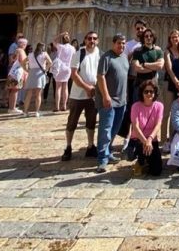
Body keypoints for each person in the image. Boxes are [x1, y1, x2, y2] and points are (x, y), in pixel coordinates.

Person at [61, 31, 101, 160]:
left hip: (93, 95)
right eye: (89, 38)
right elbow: (74, 74)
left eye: (94, 38)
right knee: (72, 122)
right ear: (85, 40)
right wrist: (86, 87)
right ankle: (68, 147)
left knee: (91, 122)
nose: (92, 41)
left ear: (98, 41)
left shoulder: (99, 54)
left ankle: (90, 146)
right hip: (78, 95)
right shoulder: (79, 53)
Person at [95, 33, 130, 172]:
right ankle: (102, 159)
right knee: (105, 129)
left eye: (123, 43)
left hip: (121, 100)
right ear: (113, 43)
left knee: (115, 128)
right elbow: (100, 76)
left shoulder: (124, 57)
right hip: (108, 100)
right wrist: (105, 96)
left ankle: (108, 152)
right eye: (119, 43)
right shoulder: (106, 57)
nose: (121, 46)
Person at [124, 80, 164, 175]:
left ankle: (146, 161)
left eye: (151, 91)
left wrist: (149, 139)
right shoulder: (135, 106)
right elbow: (135, 126)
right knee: (141, 150)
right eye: (146, 91)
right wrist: (145, 141)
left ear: (155, 93)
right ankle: (141, 161)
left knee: (156, 171)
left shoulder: (159, 106)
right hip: (138, 139)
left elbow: (158, 124)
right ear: (142, 93)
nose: (149, 94)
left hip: (151, 140)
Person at [162, 29, 179, 145]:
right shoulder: (167, 52)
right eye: (172, 37)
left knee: (176, 112)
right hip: (170, 83)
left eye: (176, 37)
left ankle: (172, 139)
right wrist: (176, 81)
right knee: (166, 113)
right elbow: (169, 68)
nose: (174, 39)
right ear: (169, 39)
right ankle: (163, 141)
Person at [24, 42, 51, 117]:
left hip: (32, 73)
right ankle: (37, 111)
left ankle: (25, 112)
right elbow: (50, 62)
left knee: (29, 94)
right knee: (38, 94)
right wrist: (46, 70)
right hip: (40, 73)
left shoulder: (30, 54)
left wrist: (27, 70)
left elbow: (23, 62)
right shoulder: (44, 54)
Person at [51, 31, 76, 112]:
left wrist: (60, 34)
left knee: (58, 87)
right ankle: (64, 105)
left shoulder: (60, 46)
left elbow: (53, 40)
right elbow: (74, 58)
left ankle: (57, 106)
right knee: (65, 87)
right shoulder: (73, 48)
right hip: (67, 68)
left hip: (60, 67)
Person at [6, 40, 28, 114]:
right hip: (17, 73)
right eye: (25, 44)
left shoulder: (16, 50)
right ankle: (12, 108)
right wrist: (27, 71)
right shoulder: (21, 51)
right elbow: (23, 62)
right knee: (15, 90)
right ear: (23, 44)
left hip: (13, 72)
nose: (26, 45)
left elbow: (13, 60)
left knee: (13, 90)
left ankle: (11, 107)